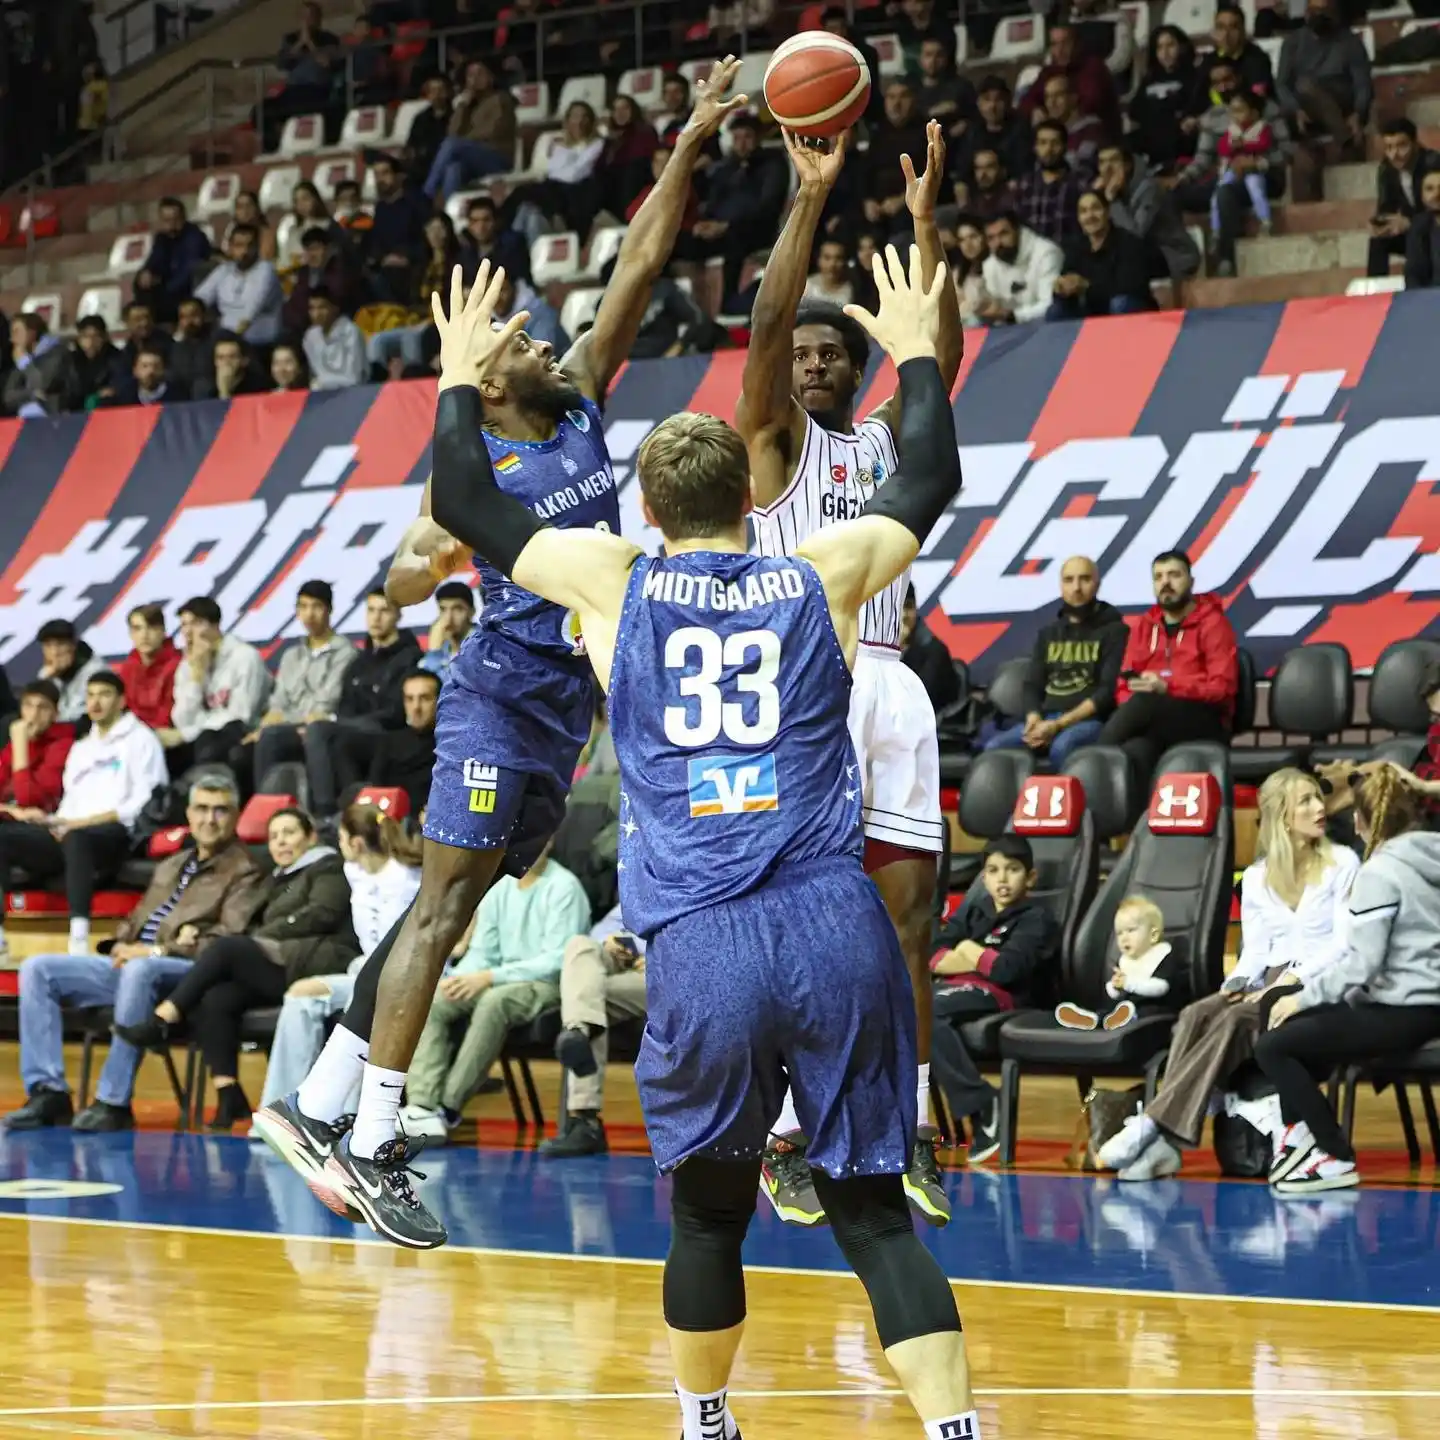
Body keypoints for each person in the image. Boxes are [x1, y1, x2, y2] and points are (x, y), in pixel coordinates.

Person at [404, 239, 981, 1440]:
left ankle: (707, 1418)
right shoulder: (821, 573)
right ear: (746, 500)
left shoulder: (614, 581)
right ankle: (952, 1430)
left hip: (706, 941)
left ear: (655, 508)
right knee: (874, 1213)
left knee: (709, 1216)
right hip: (834, 920)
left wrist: (458, 374)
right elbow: (927, 472)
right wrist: (918, 353)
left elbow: (465, 499)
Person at [251, 59, 746, 1251]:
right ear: (480, 376)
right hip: (489, 709)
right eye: (509, 333)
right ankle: (374, 1134)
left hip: (559, 714)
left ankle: (317, 1102)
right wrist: (421, 548)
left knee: (452, 912)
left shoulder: (574, 400)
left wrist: (689, 137)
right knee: (439, 915)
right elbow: (430, 528)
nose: (532, 330)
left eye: (526, 325)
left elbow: (635, 263)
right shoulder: (471, 464)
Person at [735, 120, 964, 1230]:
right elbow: (770, 321)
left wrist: (924, 234)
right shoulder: (773, 445)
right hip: (803, 688)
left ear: (861, 366)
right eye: (804, 356)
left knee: (906, 923)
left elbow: (943, 357)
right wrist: (807, 200)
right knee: (800, 925)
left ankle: (909, 1124)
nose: (814, 361)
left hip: (892, 682)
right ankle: (788, 1132)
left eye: (834, 354)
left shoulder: (886, 448)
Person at [1099, 768, 1358, 1180]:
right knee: (1197, 1014)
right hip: (1267, 977)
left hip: (1319, 982)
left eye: (1317, 797)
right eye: (1305, 801)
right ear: (1280, 816)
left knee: (1238, 1019)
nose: (1319, 807)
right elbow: (1254, 952)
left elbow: (1343, 946)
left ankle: (1154, 1127)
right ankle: (1167, 1144)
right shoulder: (1255, 878)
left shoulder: (1343, 863)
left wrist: (1287, 981)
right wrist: (1235, 985)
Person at [4, 774, 263, 1134]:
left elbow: (227, 942)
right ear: (188, 814)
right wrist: (120, 945)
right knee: (38, 969)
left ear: (236, 816)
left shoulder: (246, 871)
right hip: (136, 962)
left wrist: (157, 949)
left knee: (140, 970)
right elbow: (135, 919)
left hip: (187, 973)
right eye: (201, 808)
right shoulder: (173, 863)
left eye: (221, 810)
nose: (209, 819)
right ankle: (48, 1092)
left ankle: (114, 1100)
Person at [1256, 765, 1440, 1194]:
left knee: (1274, 1045)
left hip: (1402, 1011)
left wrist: (1302, 997)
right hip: (1427, 1008)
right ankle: (1296, 1140)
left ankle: (1333, 1155)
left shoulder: (1379, 873)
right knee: (1293, 1028)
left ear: (1362, 821)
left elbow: (1362, 964)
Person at [116, 806, 357, 1131]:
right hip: (276, 961)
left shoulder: (328, 866)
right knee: (217, 997)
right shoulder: (274, 878)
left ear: (310, 836)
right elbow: (246, 919)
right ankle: (229, 1093)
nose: (281, 842)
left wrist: (258, 938)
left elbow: (321, 914)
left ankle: (165, 1017)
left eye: (289, 833)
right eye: (274, 836)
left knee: (228, 947)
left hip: (315, 963)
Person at [400, 840, 590, 1142]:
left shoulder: (564, 887)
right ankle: (421, 1106)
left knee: (493, 1002)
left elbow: (556, 961)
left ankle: (448, 1108)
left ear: (550, 840)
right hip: (497, 979)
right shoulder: (500, 889)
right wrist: (459, 978)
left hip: (548, 985)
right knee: (436, 1000)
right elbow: (482, 952)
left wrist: (489, 977)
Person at [256, 803, 422, 1114]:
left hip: (407, 978)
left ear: (356, 843)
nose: (338, 846)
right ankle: (280, 1110)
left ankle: (340, 1114)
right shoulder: (353, 871)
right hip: (367, 971)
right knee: (299, 998)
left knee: (360, 1002)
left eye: (342, 838)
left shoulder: (408, 878)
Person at [0, 672, 166, 954]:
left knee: (77, 837)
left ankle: (78, 938)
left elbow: (142, 804)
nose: (95, 702)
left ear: (122, 700)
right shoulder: (82, 748)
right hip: (69, 829)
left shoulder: (141, 740)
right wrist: (47, 819)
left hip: (116, 834)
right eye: (90, 695)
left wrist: (80, 823)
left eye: (104, 694)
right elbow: (70, 803)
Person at [929, 835, 1061, 1164]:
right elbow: (934, 954)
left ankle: (983, 1104)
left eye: (1012, 869)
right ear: (983, 877)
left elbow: (1006, 971)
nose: (1002, 878)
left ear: (1030, 877)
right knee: (905, 1007)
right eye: (993, 870)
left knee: (924, 1010)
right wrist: (977, 959)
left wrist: (968, 951)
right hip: (958, 988)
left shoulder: (1035, 918)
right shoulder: (975, 911)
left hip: (1004, 996)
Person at [1097, 549, 1238, 791]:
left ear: (1191, 581)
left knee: (1146, 702)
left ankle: (1091, 768)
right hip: (1154, 721)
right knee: (1136, 752)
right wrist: (1133, 695)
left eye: (1174, 575)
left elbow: (1222, 688)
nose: (1166, 583)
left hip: (1205, 719)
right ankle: (1136, 826)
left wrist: (1168, 688)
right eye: (1158, 577)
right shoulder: (1144, 625)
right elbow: (1123, 683)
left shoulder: (1213, 623)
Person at [983, 555, 1125, 768]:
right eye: (1069, 580)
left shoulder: (1115, 631)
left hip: (1089, 722)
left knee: (1062, 747)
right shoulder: (1048, 633)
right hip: (1046, 718)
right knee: (994, 748)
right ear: (1061, 586)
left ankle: (1067, 802)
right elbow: (1032, 685)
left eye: (1084, 579)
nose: (1076, 588)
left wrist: (1058, 725)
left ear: (1097, 583)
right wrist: (1034, 719)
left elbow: (1106, 693)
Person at [540, 902, 646, 1159]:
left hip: (675, 975)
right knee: (581, 945)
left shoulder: (706, 882)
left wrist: (658, 957)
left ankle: (584, 1121)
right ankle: (577, 1031)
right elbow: (603, 931)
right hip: (626, 967)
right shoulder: (644, 881)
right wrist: (612, 943)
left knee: (585, 998)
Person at [303, 589, 420, 818]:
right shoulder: (359, 661)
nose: (376, 618)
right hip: (354, 730)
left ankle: (324, 813)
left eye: (384, 610)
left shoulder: (410, 657)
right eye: (371, 610)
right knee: (316, 737)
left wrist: (343, 723)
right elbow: (345, 705)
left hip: (386, 732)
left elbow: (395, 712)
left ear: (398, 615)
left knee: (320, 730)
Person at [231, 580, 355, 796]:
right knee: (239, 750)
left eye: (316, 606)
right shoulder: (291, 655)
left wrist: (280, 722)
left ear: (330, 610)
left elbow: (325, 704)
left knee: (270, 738)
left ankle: (266, 808)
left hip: (320, 729)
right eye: (303, 607)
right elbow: (278, 702)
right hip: (287, 727)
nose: (309, 614)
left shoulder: (345, 653)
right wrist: (264, 726)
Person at [0, 683, 75, 964]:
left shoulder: (63, 745)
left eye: (42, 708)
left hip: (50, 837)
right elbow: (18, 806)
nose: (33, 715)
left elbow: (32, 800)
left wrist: (20, 749)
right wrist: (11, 811)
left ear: (55, 713)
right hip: (14, 828)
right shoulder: (12, 745)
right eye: (28, 706)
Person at [158, 596, 273, 776]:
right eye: (183, 625)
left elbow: (242, 717)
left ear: (215, 625)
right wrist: (196, 678)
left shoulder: (245, 657)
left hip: (244, 737)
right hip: (204, 738)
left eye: (196, 623)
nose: (188, 632)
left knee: (209, 742)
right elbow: (183, 720)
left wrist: (192, 732)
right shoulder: (188, 665)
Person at [1055, 895, 1177, 1031]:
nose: (1124, 938)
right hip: (1124, 1007)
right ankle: (1092, 1019)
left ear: (1153, 935)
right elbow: (1115, 993)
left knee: (1146, 1011)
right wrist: (1114, 986)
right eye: (1119, 933)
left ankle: (1117, 1019)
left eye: (1131, 930)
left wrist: (1128, 983)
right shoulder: (1126, 960)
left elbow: (1162, 987)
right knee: (1110, 1009)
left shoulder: (1162, 955)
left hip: (1154, 1008)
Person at [1276, 0, 1371, 160]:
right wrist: (1295, 109)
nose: (1319, 15)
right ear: (1306, 13)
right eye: (1314, 10)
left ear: (1335, 14)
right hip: (1305, 111)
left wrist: (1358, 113)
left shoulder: (1350, 42)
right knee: (1303, 87)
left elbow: (1363, 85)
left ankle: (1343, 137)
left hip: (1341, 103)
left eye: (1325, 10)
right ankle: (1345, 139)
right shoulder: (1292, 42)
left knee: (1305, 86)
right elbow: (1282, 84)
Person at [1097, 141, 1200, 281]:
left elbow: (1135, 236)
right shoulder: (1102, 192)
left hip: (1173, 255)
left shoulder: (1149, 188)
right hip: (1142, 256)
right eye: (1102, 162)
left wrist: (1112, 200)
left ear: (1127, 165)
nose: (1107, 168)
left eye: (1114, 160)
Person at [1048, 190, 1156, 319]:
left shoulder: (1128, 242)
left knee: (1119, 303)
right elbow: (1068, 283)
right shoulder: (1075, 247)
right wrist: (1061, 288)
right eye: (1083, 211)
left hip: (1131, 310)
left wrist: (1087, 286)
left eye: (1095, 208)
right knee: (1056, 311)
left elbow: (1129, 288)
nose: (1090, 216)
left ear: (1107, 212)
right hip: (1093, 313)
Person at [422, 58, 517, 201]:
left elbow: (493, 131)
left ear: (490, 77)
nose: (475, 79)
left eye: (480, 74)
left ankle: (426, 194)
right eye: (471, 75)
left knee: (453, 144)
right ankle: (450, 213)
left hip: (498, 157)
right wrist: (462, 106)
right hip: (472, 157)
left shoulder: (501, 98)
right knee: (453, 169)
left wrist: (463, 141)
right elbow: (452, 132)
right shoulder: (469, 105)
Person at [1209, 87, 1281, 274]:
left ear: (1254, 112)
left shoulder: (1262, 128)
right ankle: (1216, 232)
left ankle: (1264, 220)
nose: (1235, 115)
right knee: (1219, 192)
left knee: (1255, 187)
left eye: (1240, 110)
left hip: (1258, 170)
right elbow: (1223, 149)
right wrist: (1233, 148)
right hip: (1234, 171)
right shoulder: (1231, 131)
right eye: (1232, 111)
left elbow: (1264, 144)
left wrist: (1245, 147)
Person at [1369, 118, 1440, 279]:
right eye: (1388, 148)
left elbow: (1436, 209)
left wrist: (1409, 222)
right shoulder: (1386, 170)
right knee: (1378, 240)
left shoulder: (1433, 163)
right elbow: (1385, 207)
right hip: (1412, 231)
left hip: (1433, 232)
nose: (1394, 154)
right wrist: (1381, 223)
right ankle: (1374, 297)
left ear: (1415, 144)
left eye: (1401, 146)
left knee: (1419, 234)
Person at [193, 224, 284, 347]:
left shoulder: (266, 270)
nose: (244, 251)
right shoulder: (224, 270)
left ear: (257, 247)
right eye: (239, 246)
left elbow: (251, 310)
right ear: (230, 247)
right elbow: (199, 298)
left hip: (259, 342)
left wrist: (228, 338)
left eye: (249, 246)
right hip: (226, 339)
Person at [1128, 25, 1202, 177]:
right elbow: (1134, 111)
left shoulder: (1193, 77)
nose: (1165, 53)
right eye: (1160, 47)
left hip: (1177, 136)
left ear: (1182, 47)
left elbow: (1193, 109)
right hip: (1151, 134)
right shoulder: (1149, 80)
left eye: (1170, 45)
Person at [133, 197, 212, 324]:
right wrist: (146, 272)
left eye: (176, 219)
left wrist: (165, 290)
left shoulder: (194, 237)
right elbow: (154, 261)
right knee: (141, 284)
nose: (171, 225)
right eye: (167, 220)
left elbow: (189, 270)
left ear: (183, 218)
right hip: (166, 288)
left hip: (187, 289)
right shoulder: (161, 238)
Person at [979, 211, 1063, 324]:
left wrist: (1013, 316)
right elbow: (997, 311)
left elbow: (1050, 305)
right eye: (991, 238)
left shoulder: (1046, 253)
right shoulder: (990, 265)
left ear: (1017, 231)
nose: (998, 242)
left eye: (1004, 234)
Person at [1017, 120, 1090, 246]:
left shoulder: (1079, 183)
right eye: (1043, 143)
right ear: (1035, 147)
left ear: (1065, 146)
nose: (1048, 149)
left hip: (1069, 258)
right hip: (1033, 259)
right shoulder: (1025, 184)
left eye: (1055, 143)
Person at [900, 584, 959, 712]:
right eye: (897, 608)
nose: (904, 615)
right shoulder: (869, 651)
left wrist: (893, 654)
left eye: (908, 606)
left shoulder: (935, 652)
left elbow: (915, 703)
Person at [34, 618, 104, 723]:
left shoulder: (96, 673)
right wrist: (46, 682)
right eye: (48, 646)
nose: (54, 652)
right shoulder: (46, 674)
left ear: (73, 645)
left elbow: (87, 719)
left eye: (60, 644)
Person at [417, 580, 474, 678]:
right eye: (443, 609)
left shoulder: (486, 646)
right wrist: (434, 651)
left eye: (457, 609)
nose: (448, 618)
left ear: (472, 612)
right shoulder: (441, 649)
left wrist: (435, 654)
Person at [1404, 167, 1440, 291]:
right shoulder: (1419, 227)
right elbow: (1413, 275)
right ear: (1422, 196)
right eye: (1430, 189)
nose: (1436, 194)